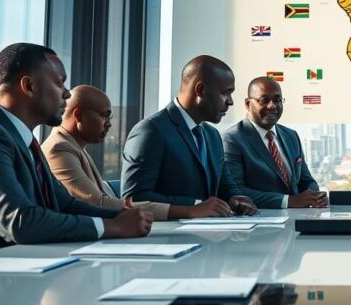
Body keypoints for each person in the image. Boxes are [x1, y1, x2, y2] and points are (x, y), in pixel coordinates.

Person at [0, 43, 152, 261]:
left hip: (23, 270)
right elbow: (20, 221)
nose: (68, 94)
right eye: (60, 83)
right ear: (29, 85)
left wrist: (121, 215)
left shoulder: (24, 140)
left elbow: (64, 204)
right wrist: (112, 227)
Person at [41, 85, 232, 219]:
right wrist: (189, 210)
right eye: (104, 115)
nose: (109, 123)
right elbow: (97, 203)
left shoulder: (74, 146)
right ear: (78, 115)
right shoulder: (60, 148)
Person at [120, 55, 258, 214]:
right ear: (200, 90)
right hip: (170, 236)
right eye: (225, 93)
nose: (230, 102)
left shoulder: (212, 135)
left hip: (210, 234)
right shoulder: (150, 131)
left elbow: (225, 185)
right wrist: (195, 206)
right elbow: (134, 198)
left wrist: (236, 198)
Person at [222, 77, 327, 209]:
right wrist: (289, 201)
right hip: (261, 222)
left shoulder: (291, 136)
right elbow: (236, 191)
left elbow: (306, 181)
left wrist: (315, 197)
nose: (272, 106)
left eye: (277, 100)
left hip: (299, 217)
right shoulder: (232, 139)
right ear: (248, 103)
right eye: (263, 100)